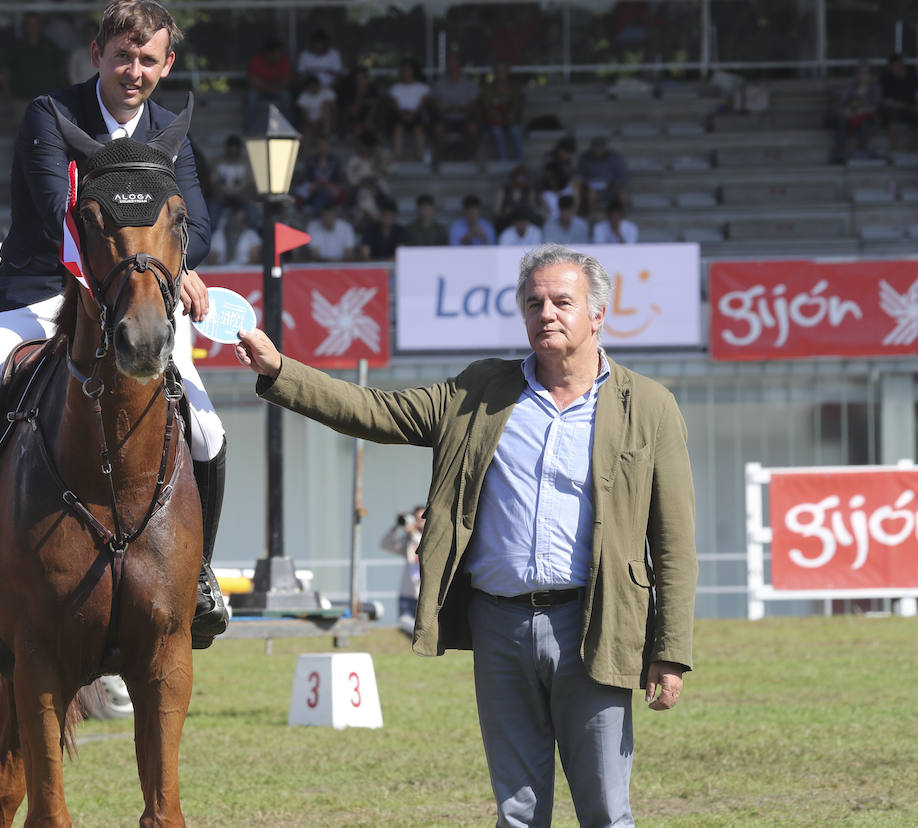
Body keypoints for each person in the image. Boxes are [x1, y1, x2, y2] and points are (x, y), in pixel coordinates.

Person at [235, 243, 697, 828]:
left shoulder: (650, 406)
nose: (546, 314)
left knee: (606, 809)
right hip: (499, 626)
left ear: (597, 314)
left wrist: (669, 651)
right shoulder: (480, 391)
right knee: (518, 811)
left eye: (562, 302)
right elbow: (376, 411)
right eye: (533, 303)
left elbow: (674, 541)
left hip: (595, 625)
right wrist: (281, 370)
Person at [0, 0, 230, 650]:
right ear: (98, 52)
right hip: (41, 291)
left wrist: (179, 262)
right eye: (124, 55)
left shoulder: (170, 130)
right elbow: (56, 213)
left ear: (166, 65)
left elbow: (199, 222)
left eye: (149, 59)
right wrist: (124, 265)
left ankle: (202, 575)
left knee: (210, 430)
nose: (135, 69)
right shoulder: (51, 115)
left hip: (135, 301)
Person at [2, 11, 67, 110]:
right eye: (29, 24)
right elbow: (5, 74)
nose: (33, 27)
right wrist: (9, 99)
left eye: (35, 24)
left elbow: (61, 74)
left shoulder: (51, 47)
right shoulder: (16, 48)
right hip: (21, 101)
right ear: (25, 26)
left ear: (40, 26)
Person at [379, 506, 425, 633]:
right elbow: (385, 544)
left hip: (424, 593)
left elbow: (422, 546)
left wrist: (412, 532)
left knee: (423, 630)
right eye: (416, 519)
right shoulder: (408, 541)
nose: (419, 522)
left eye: (422, 519)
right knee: (406, 624)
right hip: (408, 592)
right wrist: (396, 526)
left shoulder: (430, 538)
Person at [432, 53, 480, 160]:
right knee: (438, 129)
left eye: (455, 62)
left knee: (473, 129)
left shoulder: (469, 83)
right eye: (449, 62)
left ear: (460, 65)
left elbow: (472, 106)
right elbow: (435, 105)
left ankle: (473, 157)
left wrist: (458, 108)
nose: (452, 65)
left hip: (464, 118)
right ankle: (438, 159)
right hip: (445, 118)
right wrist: (447, 109)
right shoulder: (439, 84)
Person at [832, 61, 882, 163]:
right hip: (852, 116)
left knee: (865, 124)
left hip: (867, 117)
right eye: (860, 73)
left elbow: (875, 107)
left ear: (870, 75)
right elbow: (843, 102)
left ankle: (861, 151)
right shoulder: (852, 87)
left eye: (865, 73)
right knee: (842, 122)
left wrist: (861, 110)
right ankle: (840, 154)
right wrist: (848, 111)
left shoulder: (875, 88)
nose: (863, 75)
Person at [244, 37, 294, 134]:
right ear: (268, 53)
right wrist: (271, 86)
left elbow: (286, 82)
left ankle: (290, 129)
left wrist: (265, 85)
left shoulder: (283, 61)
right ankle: (248, 130)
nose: (279, 55)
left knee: (287, 96)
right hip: (261, 91)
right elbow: (252, 82)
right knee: (251, 97)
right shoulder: (256, 60)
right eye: (277, 52)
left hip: (276, 90)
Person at [387, 58, 433, 163]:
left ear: (414, 71)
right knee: (398, 127)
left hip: (417, 114)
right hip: (400, 115)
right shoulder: (396, 88)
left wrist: (413, 115)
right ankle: (397, 157)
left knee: (418, 128)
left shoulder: (423, 88)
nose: (406, 72)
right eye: (404, 70)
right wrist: (403, 114)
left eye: (408, 70)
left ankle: (421, 158)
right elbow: (395, 105)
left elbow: (422, 105)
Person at [478, 62, 524, 162]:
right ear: (494, 72)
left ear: (508, 72)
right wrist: (494, 115)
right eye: (498, 70)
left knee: (516, 131)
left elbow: (517, 105)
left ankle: (521, 162)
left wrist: (510, 116)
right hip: (493, 122)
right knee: (497, 132)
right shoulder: (487, 88)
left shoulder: (515, 87)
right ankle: (504, 162)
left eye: (503, 70)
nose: (501, 73)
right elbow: (486, 105)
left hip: (511, 121)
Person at [576, 137, 630, 214]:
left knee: (623, 194)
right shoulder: (585, 158)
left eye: (599, 148)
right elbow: (581, 176)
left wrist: (613, 184)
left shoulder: (615, 158)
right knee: (591, 194)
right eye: (595, 148)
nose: (597, 150)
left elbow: (623, 177)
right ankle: (591, 216)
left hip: (611, 188)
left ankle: (622, 217)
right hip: (592, 189)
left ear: (604, 148)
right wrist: (588, 183)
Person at [879, 52, 917, 152]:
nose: (899, 66)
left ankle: (913, 151)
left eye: (901, 64)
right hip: (892, 108)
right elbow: (883, 99)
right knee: (892, 116)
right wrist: (896, 104)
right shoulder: (886, 77)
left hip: (910, 107)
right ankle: (894, 151)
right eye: (896, 64)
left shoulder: (912, 77)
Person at [296, 28, 345, 93]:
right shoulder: (304, 55)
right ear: (312, 43)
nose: (318, 46)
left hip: (329, 88)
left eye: (320, 43)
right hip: (309, 90)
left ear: (325, 43)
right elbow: (300, 76)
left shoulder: (334, 54)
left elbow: (338, 76)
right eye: (316, 43)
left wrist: (330, 88)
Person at [294, 73, 337, 140]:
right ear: (308, 87)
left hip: (325, 122)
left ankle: (327, 132)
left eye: (315, 86)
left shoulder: (328, 93)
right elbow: (303, 115)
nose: (313, 88)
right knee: (306, 132)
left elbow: (335, 110)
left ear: (319, 85)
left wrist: (333, 122)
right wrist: (312, 124)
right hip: (310, 123)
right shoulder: (303, 96)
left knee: (327, 106)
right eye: (311, 87)